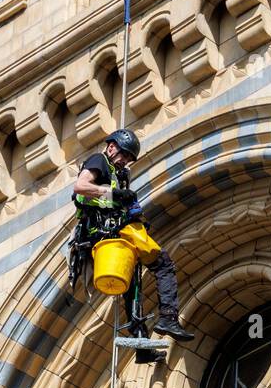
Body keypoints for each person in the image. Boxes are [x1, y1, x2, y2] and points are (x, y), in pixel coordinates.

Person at [70, 129, 194, 342]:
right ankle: (168, 319)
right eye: (124, 155)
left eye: (129, 158)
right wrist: (115, 193)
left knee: (132, 281)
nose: (125, 161)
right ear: (111, 147)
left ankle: (140, 339)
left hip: (108, 236)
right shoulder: (99, 160)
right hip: (115, 230)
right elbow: (80, 187)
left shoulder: (118, 173)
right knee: (162, 263)